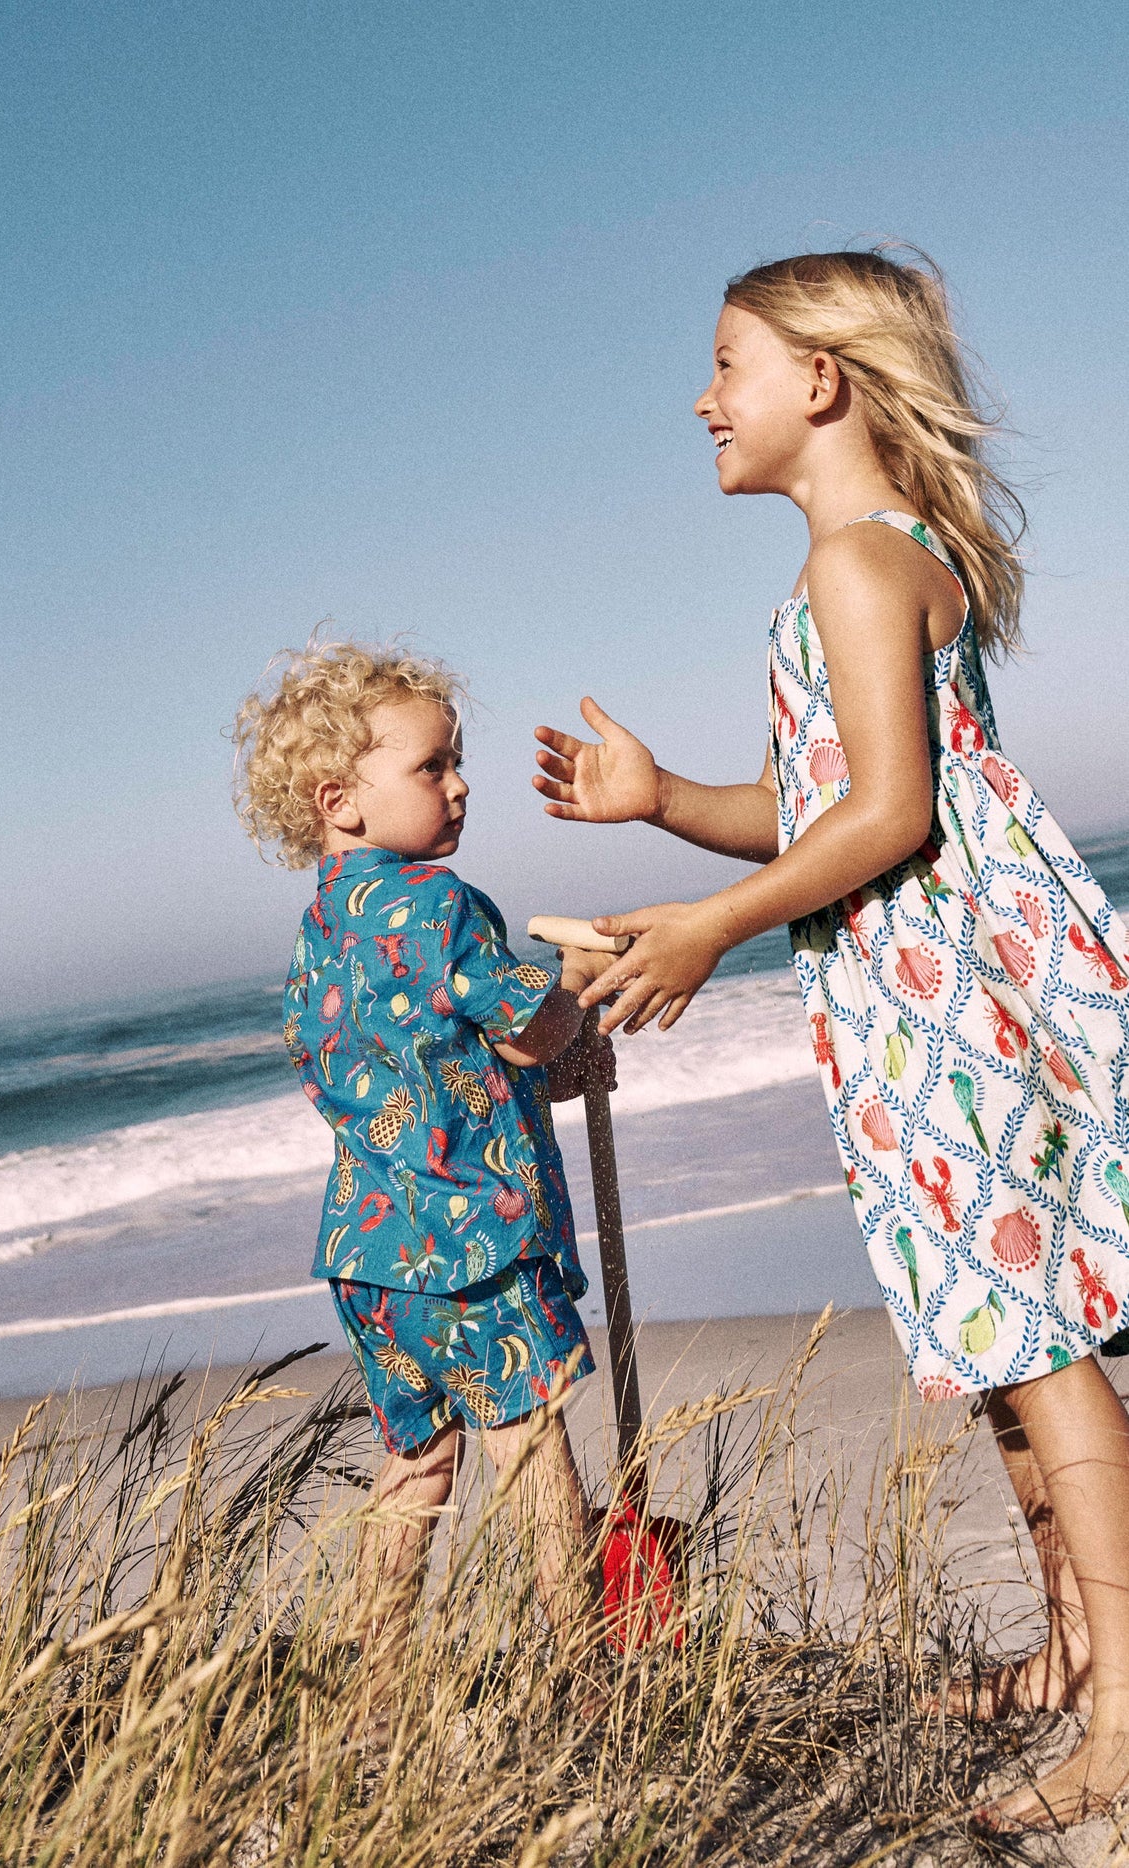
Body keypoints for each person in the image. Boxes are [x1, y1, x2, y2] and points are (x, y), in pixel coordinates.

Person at [533, 248, 1129, 1830]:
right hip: (915, 991)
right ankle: (1076, 1647)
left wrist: (707, 928)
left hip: (950, 995)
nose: (701, 399)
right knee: (1000, 1341)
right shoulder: (855, 565)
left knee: (1042, 1349)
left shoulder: (862, 565)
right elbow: (819, 804)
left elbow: (888, 816)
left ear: (818, 381)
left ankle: (1126, 1714)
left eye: (724, 364)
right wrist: (663, 801)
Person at [233, 640, 616, 1704]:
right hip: (470, 1241)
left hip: (369, 1254)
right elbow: (530, 1032)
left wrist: (544, 1055)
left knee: (417, 1462)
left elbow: (425, 1063)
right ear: (339, 801)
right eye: (431, 766)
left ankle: (377, 1681)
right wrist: (577, 988)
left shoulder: (317, 934)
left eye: (457, 762)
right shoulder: (440, 906)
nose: (458, 785)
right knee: (528, 1445)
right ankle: (585, 1668)